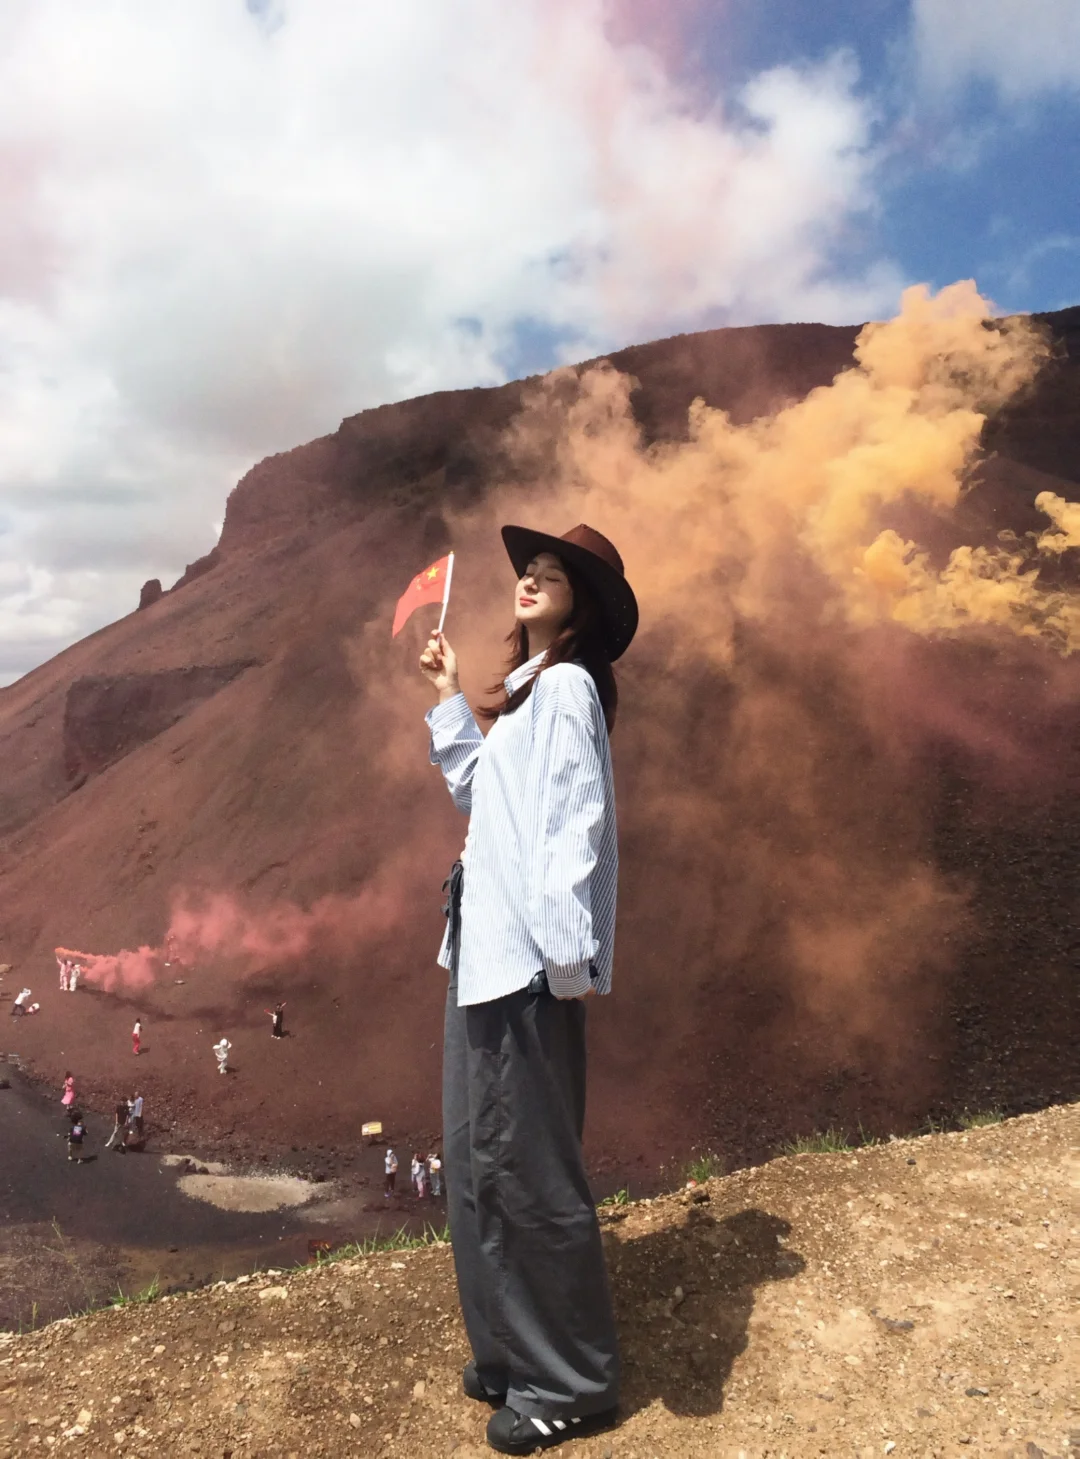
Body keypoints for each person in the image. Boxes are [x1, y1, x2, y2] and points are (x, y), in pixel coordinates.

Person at [419, 524, 634, 1454]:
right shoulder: (521, 697)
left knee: (530, 1171)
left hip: (525, 965)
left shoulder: (572, 689)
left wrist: (567, 955)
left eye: (555, 576)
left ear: (581, 606)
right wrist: (444, 695)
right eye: (529, 571)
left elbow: (573, 819)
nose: (532, 580)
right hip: (480, 955)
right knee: (477, 1165)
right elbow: (482, 795)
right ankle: (508, 1351)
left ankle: (570, 1379)